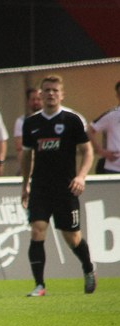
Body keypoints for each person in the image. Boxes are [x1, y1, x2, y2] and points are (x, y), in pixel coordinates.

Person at [20, 74, 95, 297]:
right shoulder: (31, 123)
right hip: (40, 187)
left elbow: (87, 151)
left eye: (55, 90)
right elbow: (27, 155)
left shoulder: (72, 120)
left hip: (65, 188)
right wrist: (25, 184)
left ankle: (88, 267)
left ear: (62, 94)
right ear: (40, 95)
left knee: (72, 237)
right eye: (47, 90)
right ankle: (39, 285)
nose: (51, 94)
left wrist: (81, 177)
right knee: (37, 229)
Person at [87, 80, 120, 175]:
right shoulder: (112, 114)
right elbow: (89, 130)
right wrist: (100, 151)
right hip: (114, 169)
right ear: (117, 96)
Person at [13, 87, 42, 157]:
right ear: (28, 101)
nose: (36, 102)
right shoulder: (21, 121)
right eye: (33, 99)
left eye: (38, 99)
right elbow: (20, 148)